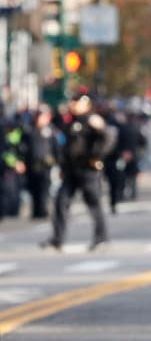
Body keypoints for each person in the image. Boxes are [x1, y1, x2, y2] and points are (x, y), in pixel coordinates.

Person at [43, 93, 112, 251]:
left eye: (77, 102)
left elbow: (108, 138)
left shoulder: (92, 120)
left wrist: (97, 157)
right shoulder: (70, 120)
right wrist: (62, 166)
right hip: (71, 170)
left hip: (87, 169)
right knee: (61, 203)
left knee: (93, 204)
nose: (73, 105)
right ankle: (57, 239)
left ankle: (101, 238)